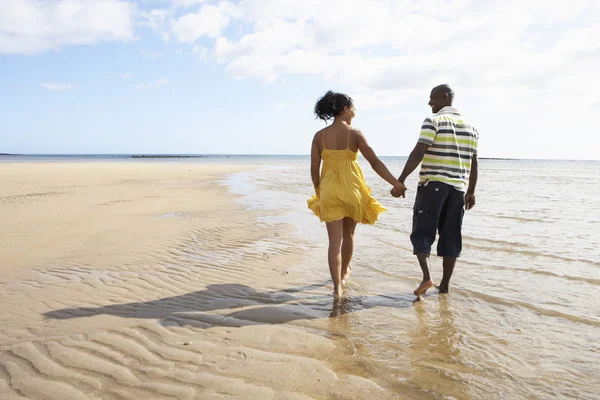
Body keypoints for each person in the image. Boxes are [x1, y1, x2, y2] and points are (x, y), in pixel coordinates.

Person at [308, 90, 405, 298]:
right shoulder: (355, 134)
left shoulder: (319, 137)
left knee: (334, 243)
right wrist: (396, 183)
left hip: (329, 191)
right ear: (344, 110)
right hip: (352, 190)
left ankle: (337, 288)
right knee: (348, 235)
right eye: (352, 109)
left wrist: (319, 191)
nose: (354, 113)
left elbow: (314, 170)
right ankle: (344, 272)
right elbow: (375, 163)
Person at [394, 84, 479, 298]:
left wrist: (401, 179)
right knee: (451, 236)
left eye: (432, 99)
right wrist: (471, 191)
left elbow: (419, 152)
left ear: (444, 97)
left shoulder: (433, 121)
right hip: (458, 190)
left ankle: (426, 277)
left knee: (422, 233)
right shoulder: (471, 127)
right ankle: (445, 286)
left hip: (433, 186)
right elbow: (474, 163)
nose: (430, 103)